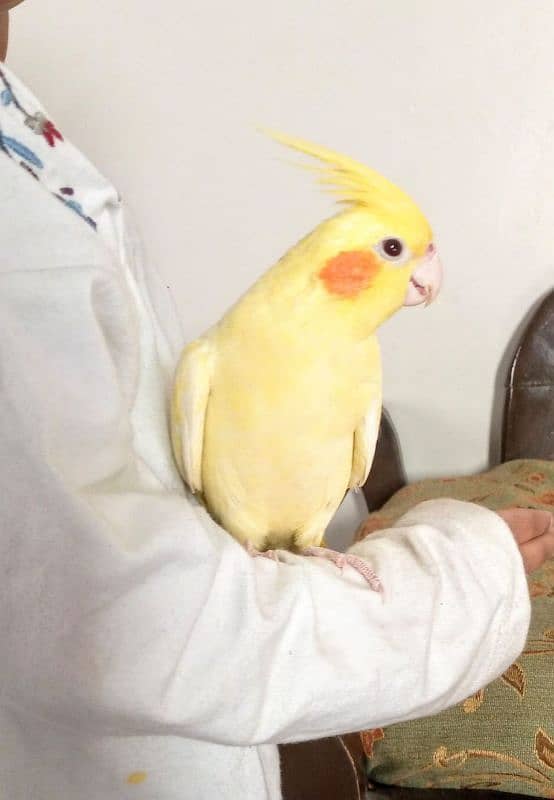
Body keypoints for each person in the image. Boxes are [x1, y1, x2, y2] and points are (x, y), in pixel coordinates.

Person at [1, 4, 553, 798]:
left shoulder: (361, 372)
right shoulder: (210, 364)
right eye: (396, 252)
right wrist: (456, 578)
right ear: (338, 265)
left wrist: (326, 557)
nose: (424, 271)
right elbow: (139, 621)